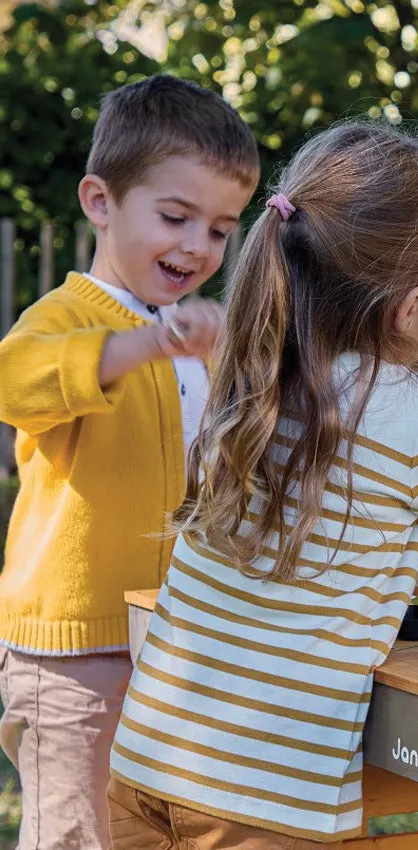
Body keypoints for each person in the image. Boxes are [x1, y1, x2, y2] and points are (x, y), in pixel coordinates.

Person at [107, 122, 418, 849]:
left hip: (148, 764)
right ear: (411, 308)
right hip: (262, 800)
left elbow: (373, 396)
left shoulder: (258, 372)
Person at [0, 74, 260, 849]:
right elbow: (14, 382)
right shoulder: (71, 318)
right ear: (100, 202)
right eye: (175, 217)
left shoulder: (193, 340)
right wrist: (145, 343)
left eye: (219, 229)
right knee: (76, 835)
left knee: (145, 830)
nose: (197, 247)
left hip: (168, 638)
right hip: (71, 652)